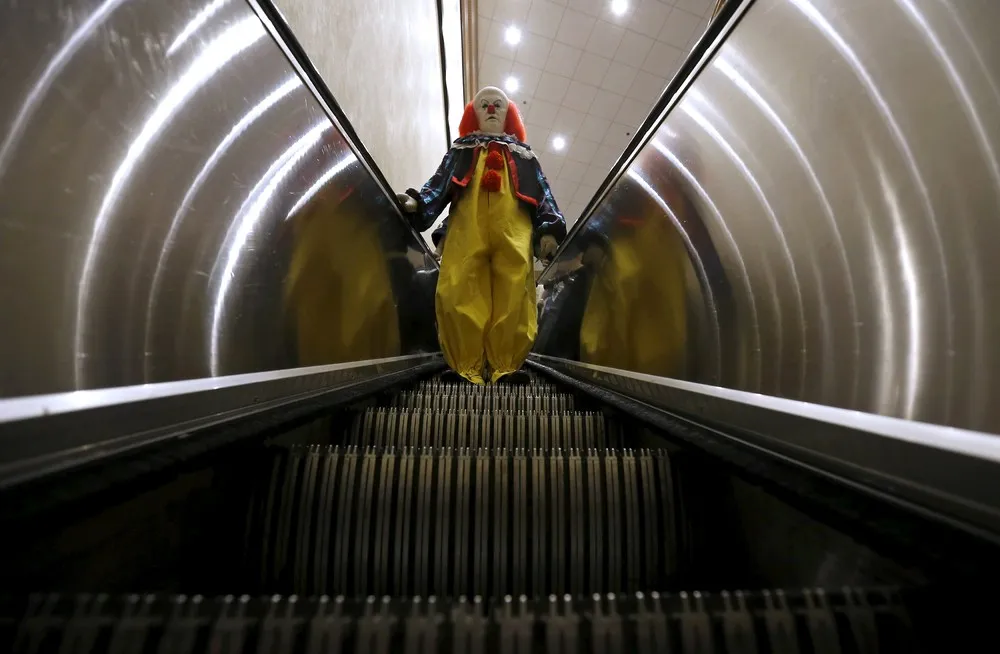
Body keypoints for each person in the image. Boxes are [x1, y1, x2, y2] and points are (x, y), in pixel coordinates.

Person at [397, 86, 566, 384]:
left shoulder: (525, 156)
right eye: (484, 105)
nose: (491, 109)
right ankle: (466, 366)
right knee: (459, 287)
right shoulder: (461, 150)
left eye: (497, 105)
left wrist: (549, 229)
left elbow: (543, 193)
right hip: (466, 227)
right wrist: (417, 203)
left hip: (514, 229)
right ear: (473, 114)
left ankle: (506, 366)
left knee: (514, 290)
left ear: (508, 113)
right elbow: (438, 184)